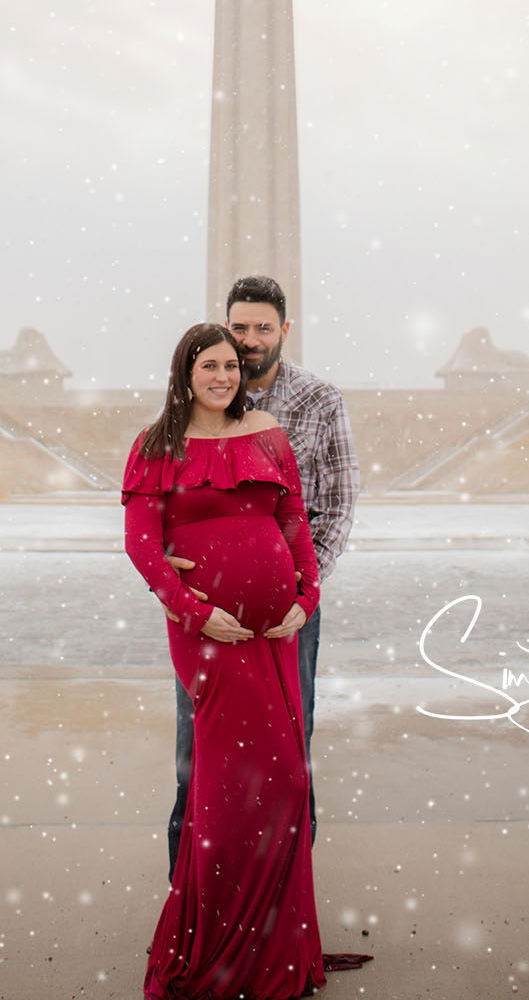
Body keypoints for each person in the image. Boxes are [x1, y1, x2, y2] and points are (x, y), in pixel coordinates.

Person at [122, 323, 365, 998]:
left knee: (285, 781)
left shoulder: (267, 433)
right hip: (208, 635)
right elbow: (142, 542)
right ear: (185, 371)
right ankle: (217, 950)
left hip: (275, 630)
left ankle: (276, 949)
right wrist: (196, 611)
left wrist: (307, 595)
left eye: (231, 365)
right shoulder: (156, 443)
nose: (223, 376)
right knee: (225, 794)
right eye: (209, 365)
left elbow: (294, 521)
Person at [163, 274, 360, 871]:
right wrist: (169, 572)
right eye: (239, 327)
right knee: (197, 750)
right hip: (203, 616)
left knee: (285, 753)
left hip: (288, 618)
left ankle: (282, 909)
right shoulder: (195, 402)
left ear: (284, 331)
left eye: (262, 328)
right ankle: (192, 904)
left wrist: (303, 591)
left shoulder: (318, 402)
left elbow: (336, 504)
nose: (250, 341)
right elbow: (159, 504)